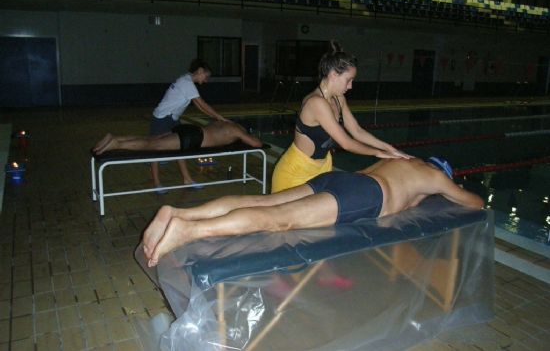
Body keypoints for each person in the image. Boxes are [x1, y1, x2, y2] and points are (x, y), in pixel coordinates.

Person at [142, 156, 484, 267]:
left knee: (263, 202)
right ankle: (188, 232)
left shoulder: (403, 161)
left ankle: (180, 213)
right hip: (364, 196)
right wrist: (435, 192)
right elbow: (475, 203)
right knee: (279, 221)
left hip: (339, 178)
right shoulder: (435, 176)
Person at [271, 41, 411, 193]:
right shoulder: (316, 103)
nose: (350, 86)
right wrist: (378, 153)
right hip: (295, 174)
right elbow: (346, 143)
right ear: (333, 75)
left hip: (320, 170)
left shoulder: (338, 99)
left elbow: (357, 131)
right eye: (348, 80)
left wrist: (389, 148)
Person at [150, 59, 228, 193]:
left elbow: (198, 105)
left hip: (172, 119)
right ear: (200, 71)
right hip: (162, 118)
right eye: (206, 76)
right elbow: (202, 103)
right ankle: (157, 184)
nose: (207, 80)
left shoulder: (187, 81)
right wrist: (220, 118)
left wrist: (215, 117)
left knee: (181, 148)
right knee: (156, 151)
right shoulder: (186, 83)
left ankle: (187, 180)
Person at [93, 120, 262, 155]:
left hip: (189, 129)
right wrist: (246, 136)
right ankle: (115, 144)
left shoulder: (223, 123)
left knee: (151, 140)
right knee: (151, 145)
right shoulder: (236, 130)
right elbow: (256, 144)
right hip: (193, 138)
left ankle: (115, 138)